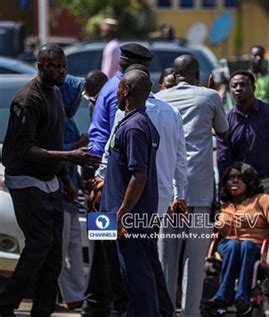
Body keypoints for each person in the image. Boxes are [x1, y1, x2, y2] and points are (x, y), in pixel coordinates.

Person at [0, 43, 101, 317]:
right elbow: (25, 149)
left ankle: (42, 311)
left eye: (64, 66)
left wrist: (66, 183)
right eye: (55, 66)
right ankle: (5, 305)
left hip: (52, 182)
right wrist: (70, 155)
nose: (61, 71)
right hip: (25, 180)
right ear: (41, 67)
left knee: (54, 255)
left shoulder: (55, 94)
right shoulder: (27, 98)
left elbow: (51, 142)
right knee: (39, 245)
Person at [155, 54, 229, 317]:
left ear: (174, 76)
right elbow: (223, 131)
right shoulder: (209, 97)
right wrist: (211, 94)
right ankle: (189, 313)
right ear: (197, 75)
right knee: (194, 262)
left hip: (167, 193)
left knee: (166, 262)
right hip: (197, 191)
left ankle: (165, 311)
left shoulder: (159, 99)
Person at [83, 43, 154, 317]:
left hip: (105, 182)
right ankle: (111, 308)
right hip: (110, 184)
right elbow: (114, 141)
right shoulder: (120, 93)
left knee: (106, 253)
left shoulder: (109, 89)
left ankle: (97, 306)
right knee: (116, 258)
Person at [100, 69, 161, 317]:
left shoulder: (135, 126)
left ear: (125, 89)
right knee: (125, 275)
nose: (116, 91)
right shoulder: (133, 121)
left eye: (118, 87)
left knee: (137, 276)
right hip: (115, 214)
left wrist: (122, 214)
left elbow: (140, 175)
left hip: (127, 217)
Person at [202, 162, 269, 315]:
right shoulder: (223, 206)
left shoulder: (263, 200)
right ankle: (224, 296)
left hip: (254, 248)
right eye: (230, 178)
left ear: (249, 181)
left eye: (239, 177)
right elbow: (213, 232)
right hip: (226, 248)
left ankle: (242, 297)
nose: (234, 181)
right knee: (233, 245)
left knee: (246, 245)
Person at [216, 70, 269, 203]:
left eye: (243, 84)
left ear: (254, 88)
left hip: (267, 186)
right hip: (238, 188)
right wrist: (225, 188)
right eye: (234, 85)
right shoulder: (226, 121)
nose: (238, 88)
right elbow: (223, 158)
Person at [58, 74, 88, 309]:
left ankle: (76, 296)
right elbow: (55, 152)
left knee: (73, 246)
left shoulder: (67, 119)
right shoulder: (56, 119)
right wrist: (78, 145)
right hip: (60, 190)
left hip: (72, 191)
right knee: (62, 246)